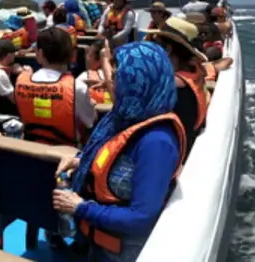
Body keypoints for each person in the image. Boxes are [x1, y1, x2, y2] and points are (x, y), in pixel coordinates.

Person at [53, 41, 186, 262]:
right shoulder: (123, 117)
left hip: (121, 253)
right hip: (95, 240)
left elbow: (141, 217)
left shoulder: (157, 142)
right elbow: (111, 156)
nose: (108, 84)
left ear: (138, 83)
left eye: (116, 79)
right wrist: (80, 160)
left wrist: (80, 208)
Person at [15, 26, 95, 146]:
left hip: (30, 151)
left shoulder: (20, 81)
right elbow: (90, 122)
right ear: (70, 55)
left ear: (40, 53)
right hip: (66, 155)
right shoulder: (77, 87)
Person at [143, 17, 209, 154]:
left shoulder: (173, 85)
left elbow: (128, 108)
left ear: (167, 48)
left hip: (170, 153)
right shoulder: (195, 72)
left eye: (156, 43)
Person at [78, 39, 113, 106]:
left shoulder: (85, 76)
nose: (86, 58)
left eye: (90, 55)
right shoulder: (120, 78)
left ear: (100, 60)